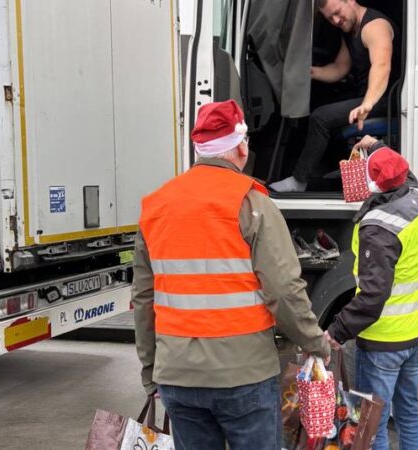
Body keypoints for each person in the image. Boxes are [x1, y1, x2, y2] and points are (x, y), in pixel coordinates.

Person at [132, 100, 330, 450]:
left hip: (178, 375)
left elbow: (144, 299)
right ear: (241, 147)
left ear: (199, 149)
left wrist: (151, 371)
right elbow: (283, 290)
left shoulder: (156, 206)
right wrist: (315, 342)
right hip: (244, 375)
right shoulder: (253, 204)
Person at [325, 135, 418, 450]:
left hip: (384, 342)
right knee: (408, 412)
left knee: (371, 425)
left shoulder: (378, 227)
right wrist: (375, 146)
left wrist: (336, 331)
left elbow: (372, 297)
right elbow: (398, 169)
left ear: (372, 183)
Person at [270, 0, 399, 193]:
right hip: (368, 97)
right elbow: (340, 67)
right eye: (330, 18)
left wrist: (368, 103)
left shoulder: (374, 26)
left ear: (351, 1)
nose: (336, 20)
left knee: (321, 117)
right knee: (320, 105)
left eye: (338, 12)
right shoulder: (350, 30)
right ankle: (336, 170)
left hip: (385, 99)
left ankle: (299, 181)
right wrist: (310, 72)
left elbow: (382, 66)